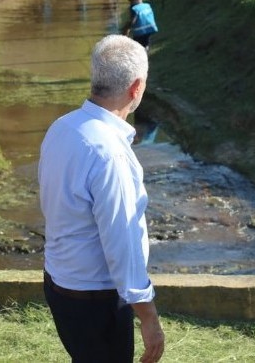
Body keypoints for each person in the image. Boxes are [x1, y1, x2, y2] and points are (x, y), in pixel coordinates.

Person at [39, 34, 165, 363]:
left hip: (58, 282)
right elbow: (122, 241)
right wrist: (148, 316)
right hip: (95, 298)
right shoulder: (110, 153)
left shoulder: (62, 127)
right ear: (136, 87)